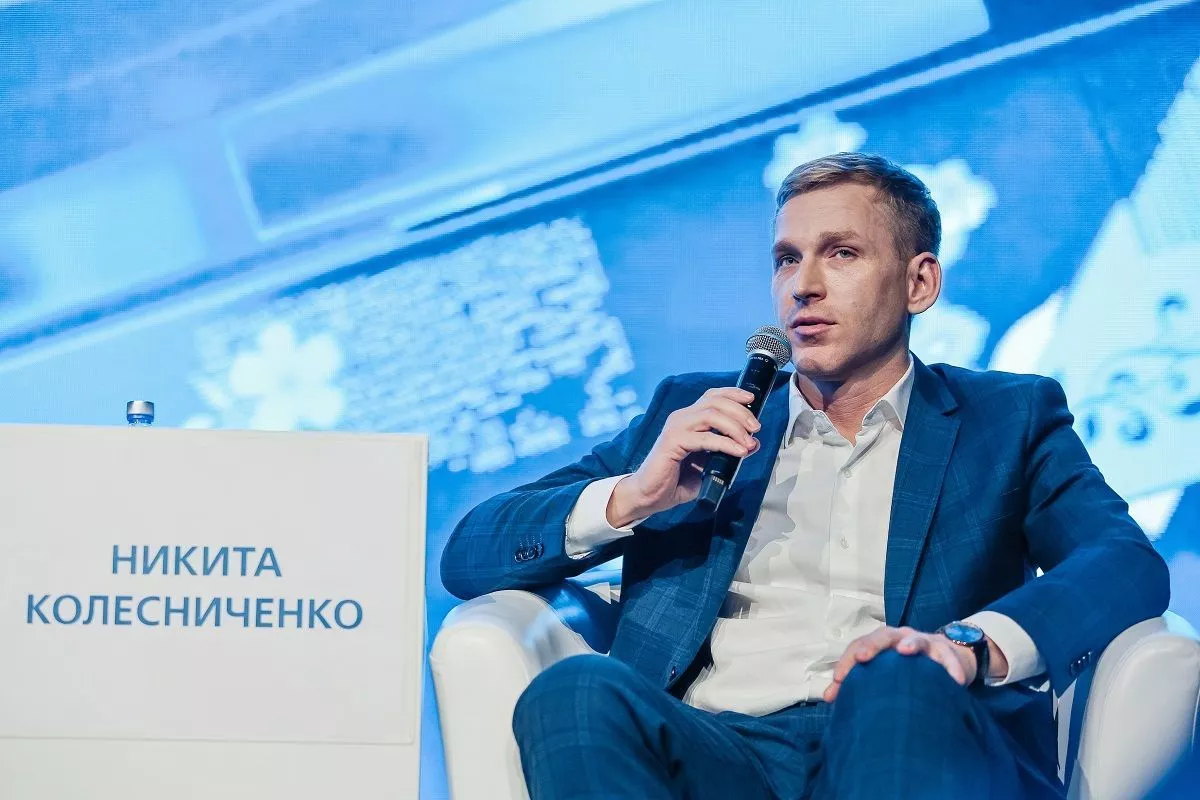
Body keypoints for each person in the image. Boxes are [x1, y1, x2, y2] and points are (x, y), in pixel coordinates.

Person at [440, 152, 1170, 799]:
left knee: (897, 674)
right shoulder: (696, 416)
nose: (804, 286)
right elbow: (469, 553)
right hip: (718, 751)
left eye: (841, 254)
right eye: (787, 260)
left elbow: (1122, 560)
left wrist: (968, 647)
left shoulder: (1005, 417)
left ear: (919, 283)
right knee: (575, 691)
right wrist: (634, 496)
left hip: (908, 730)